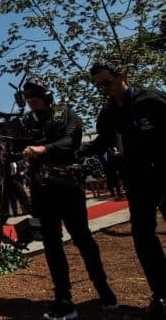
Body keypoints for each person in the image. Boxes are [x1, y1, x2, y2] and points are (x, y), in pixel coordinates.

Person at [20, 78, 117, 320]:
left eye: (36, 101)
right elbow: (16, 148)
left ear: (48, 98)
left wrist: (44, 149)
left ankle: (104, 289)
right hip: (42, 190)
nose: (33, 106)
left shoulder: (66, 115)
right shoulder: (27, 123)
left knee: (83, 238)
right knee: (52, 244)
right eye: (29, 102)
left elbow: (70, 142)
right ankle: (63, 297)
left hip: (68, 187)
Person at [81, 63, 166, 318]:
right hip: (137, 180)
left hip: (164, 173)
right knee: (143, 236)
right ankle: (161, 291)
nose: (105, 89)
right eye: (99, 86)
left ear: (122, 75)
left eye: (108, 83)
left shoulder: (151, 100)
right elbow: (102, 142)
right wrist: (74, 155)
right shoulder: (108, 113)